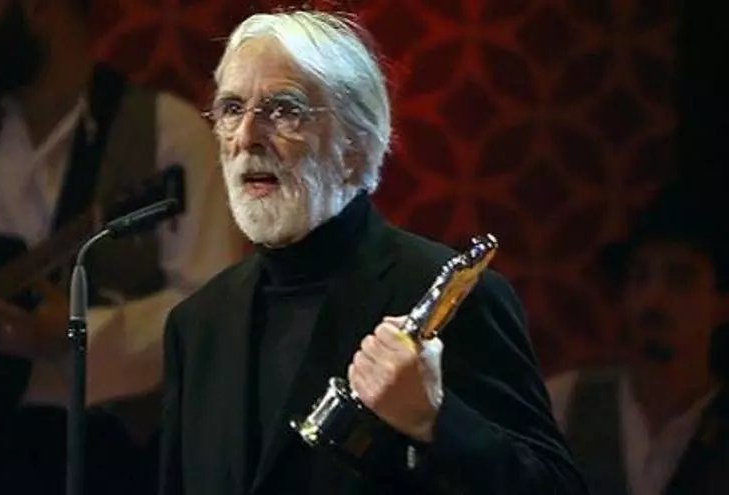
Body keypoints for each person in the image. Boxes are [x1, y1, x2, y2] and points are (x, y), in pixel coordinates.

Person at [158, 10, 589, 495]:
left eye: (284, 109)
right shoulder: (197, 325)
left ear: (357, 146)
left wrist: (436, 419)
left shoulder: (451, 294)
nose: (246, 137)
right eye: (232, 108)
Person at [0, 0, 242, 493]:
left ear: (37, 8)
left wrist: (76, 335)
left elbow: (213, 321)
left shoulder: (169, 135)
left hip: (108, 464)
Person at [547, 182, 729, 495]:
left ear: (721, 305)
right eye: (640, 277)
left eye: (679, 279)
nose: (653, 299)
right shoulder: (562, 405)